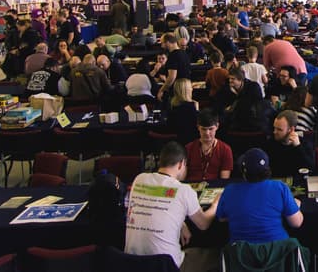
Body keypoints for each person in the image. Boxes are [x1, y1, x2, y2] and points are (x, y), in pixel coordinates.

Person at [125, 141, 219, 269]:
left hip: (132, 264)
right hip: (168, 266)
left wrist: (181, 222)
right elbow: (203, 224)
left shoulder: (139, 179)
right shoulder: (184, 190)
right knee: (216, 256)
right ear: (181, 164)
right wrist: (215, 205)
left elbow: (154, 206)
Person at [216, 148, 303, 243]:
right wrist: (295, 207)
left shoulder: (229, 190)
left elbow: (221, 218)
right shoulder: (280, 187)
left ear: (243, 171)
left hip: (241, 254)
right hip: (277, 252)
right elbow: (296, 223)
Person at [185, 109, 233, 182]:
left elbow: (224, 181)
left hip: (214, 188)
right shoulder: (188, 148)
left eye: (211, 129)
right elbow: (182, 178)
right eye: (203, 129)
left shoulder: (225, 149)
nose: (207, 133)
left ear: (217, 126)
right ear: (198, 127)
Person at [264, 110, 315, 178]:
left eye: (279, 129)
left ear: (291, 129)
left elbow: (310, 167)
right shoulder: (270, 143)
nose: (274, 132)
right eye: (274, 128)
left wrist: (298, 147)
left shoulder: (304, 144)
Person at [225, 66, 272, 133]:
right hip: (236, 120)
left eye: (233, 79)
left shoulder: (253, 87)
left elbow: (254, 104)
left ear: (240, 80)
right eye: (229, 78)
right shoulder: (228, 87)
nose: (230, 81)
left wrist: (237, 96)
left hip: (253, 119)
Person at [157, 33, 191, 104]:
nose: (162, 46)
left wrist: (162, 90)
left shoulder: (173, 56)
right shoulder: (184, 53)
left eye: (163, 43)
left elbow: (172, 77)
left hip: (177, 90)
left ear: (168, 42)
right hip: (186, 87)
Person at [167, 78, 199, 145]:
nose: (192, 89)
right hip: (190, 141)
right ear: (186, 90)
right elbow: (197, 126)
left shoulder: (173, 105)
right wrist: (197, 110)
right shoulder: (191, 107)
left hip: (174, 141)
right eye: (190, 87)